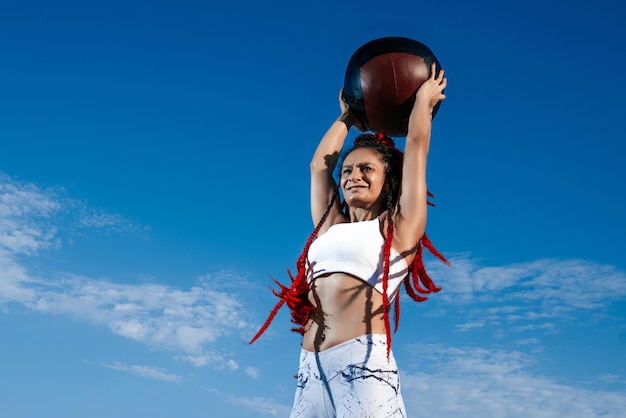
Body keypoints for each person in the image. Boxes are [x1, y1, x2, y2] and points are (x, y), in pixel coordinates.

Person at [250, 64, 448, 417]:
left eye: (366, 169)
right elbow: (318, 166)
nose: (353, 176)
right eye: (348, 171)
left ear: (388, 181)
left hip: (363, 367)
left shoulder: (398, 229)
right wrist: (347, 116)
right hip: (310, 371)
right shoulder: (329, 226)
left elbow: (416, 147)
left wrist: (422, 104)